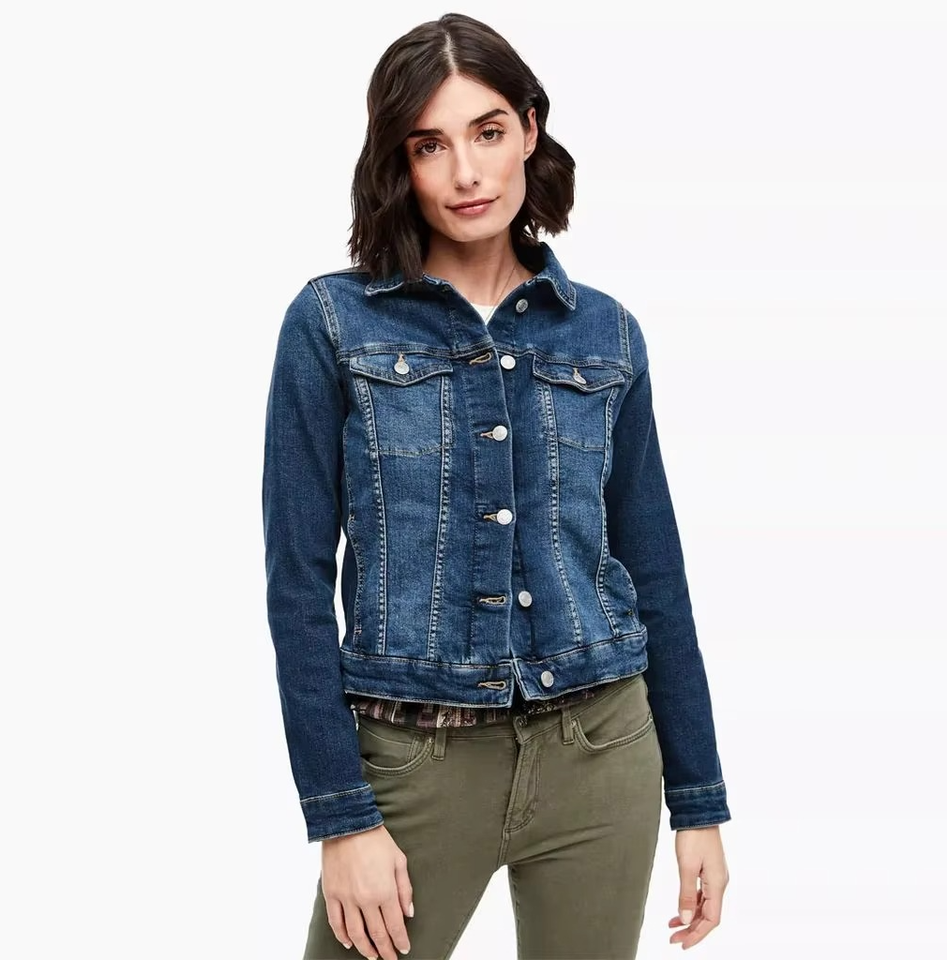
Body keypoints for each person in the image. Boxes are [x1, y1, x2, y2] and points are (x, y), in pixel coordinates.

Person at [262, 12, 731, 960]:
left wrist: (698, 801)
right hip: (415, 757)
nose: (466, 173)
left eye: (486, 132)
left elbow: (654, 569)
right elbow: (297, 583)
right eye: (429, 145)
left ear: (528, 128)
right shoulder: (333, 323)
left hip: (602, 751)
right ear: (399, 163)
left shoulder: (605, 333)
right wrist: (340, 815)